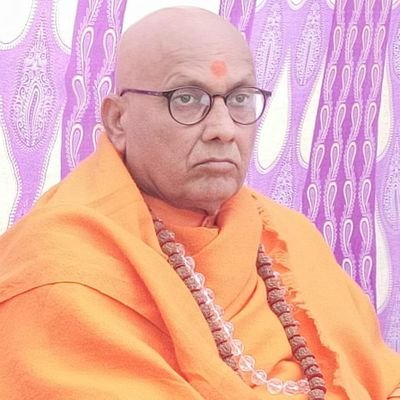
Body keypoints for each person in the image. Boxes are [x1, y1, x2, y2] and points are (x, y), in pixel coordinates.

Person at [0, 6, 399, 400]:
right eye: (187, 98)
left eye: (239, 98)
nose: (224, 129)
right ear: (119, 120)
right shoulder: (58, 265)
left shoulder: (286, 235)